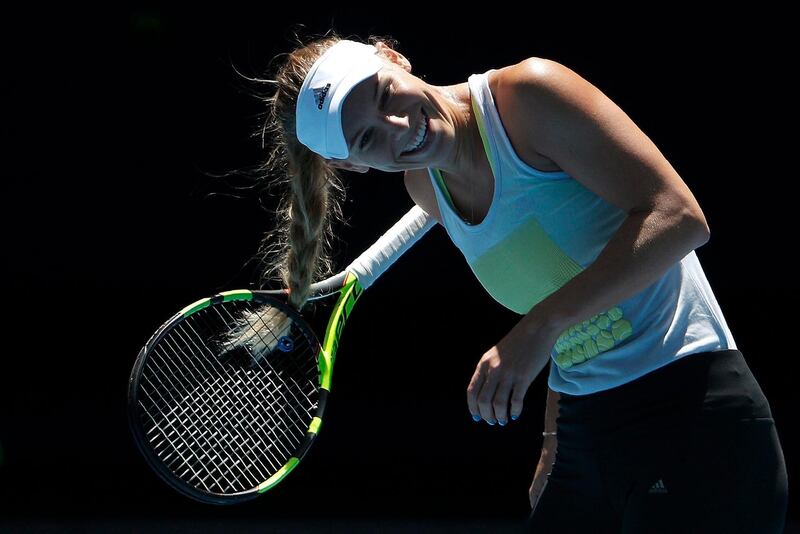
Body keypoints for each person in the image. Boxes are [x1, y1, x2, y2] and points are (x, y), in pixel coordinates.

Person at [247, 31, 788, 532]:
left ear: (395, 58)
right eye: (367, 137)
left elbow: (679, 217)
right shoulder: (427, 190)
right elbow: (564, 294)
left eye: (387, 94)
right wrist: (555, 436)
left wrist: (536, 331)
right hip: (586, 432)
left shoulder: (530, 96)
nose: (397, 126)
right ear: (354, 167)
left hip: (692, 410)